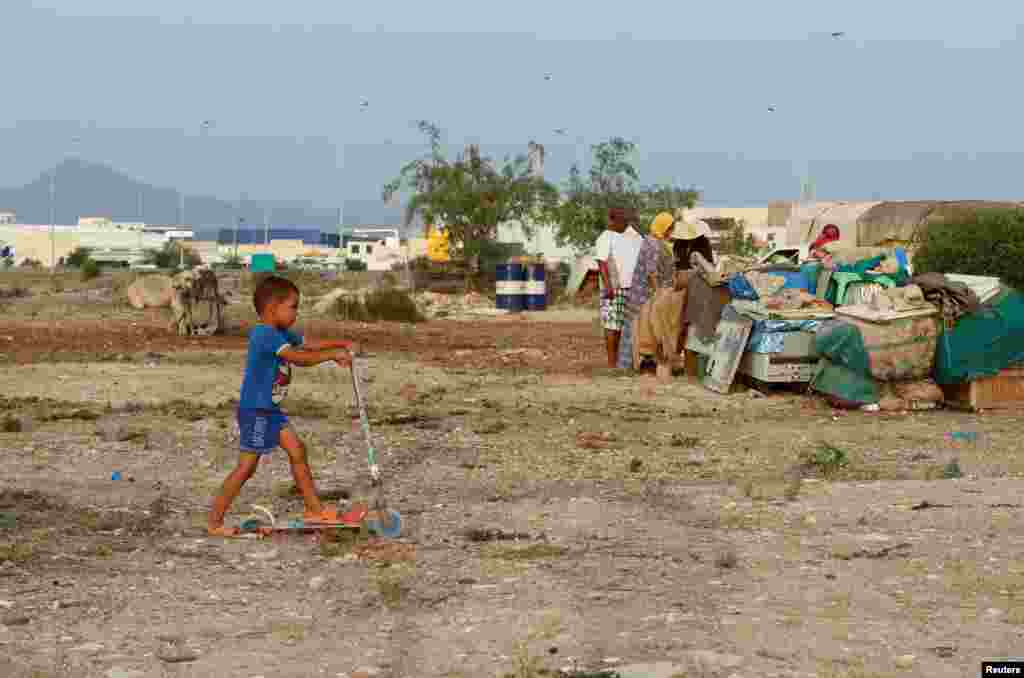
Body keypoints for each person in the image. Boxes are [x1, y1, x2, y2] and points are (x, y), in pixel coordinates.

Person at [207, 275, 358, 537]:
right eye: (293, 307)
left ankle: (314, 510)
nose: (296, 313)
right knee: (246, 467)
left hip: (270, 410)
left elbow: (307, 344)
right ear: (272, 308)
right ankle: (215, 522)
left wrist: (341, 343)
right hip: (256, 412)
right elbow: (298, 357)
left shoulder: (280, 332)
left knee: (297, 450)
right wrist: (332, 355)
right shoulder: (264, 334)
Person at [619, 212, 677, 370]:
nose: (671, 232)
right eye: (670, 229)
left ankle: (629, 364)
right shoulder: (653, 245)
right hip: (644, 292)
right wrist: (658, 293)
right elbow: (652, 272)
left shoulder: (652, 241)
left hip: (641, 290)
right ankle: (634, 364)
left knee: (636, 327)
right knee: (640, 327)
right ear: (664, 227)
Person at [594, 207, 644, 368]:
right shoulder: (605, 237)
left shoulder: (634, 236)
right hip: (614, 288)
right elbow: (602, 262)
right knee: (612, 326)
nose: (625, 222)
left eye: (626, 219)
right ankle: (612, 364)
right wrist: (608, 286)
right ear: (612, 220)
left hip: (633, 288)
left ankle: (626, 363)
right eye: (621, 219)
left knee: (629, 327)